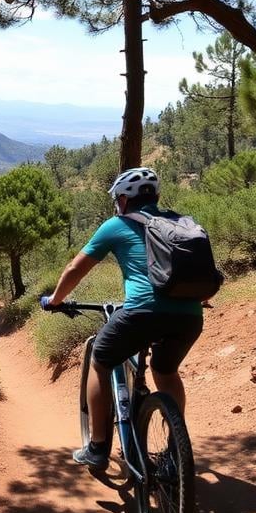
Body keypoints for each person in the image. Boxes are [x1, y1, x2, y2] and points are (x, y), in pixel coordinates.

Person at [40, 167, 203, 469]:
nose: (117, 204)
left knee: (100, 360)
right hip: (190, 316)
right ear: (156, 197)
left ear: (124, 200)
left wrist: (55, 300)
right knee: (165, 372)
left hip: (141, 311)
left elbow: (76, 269)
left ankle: (98, 448)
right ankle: (174, 451)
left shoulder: (116, 225)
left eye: (117, 199)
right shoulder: (181, 223)